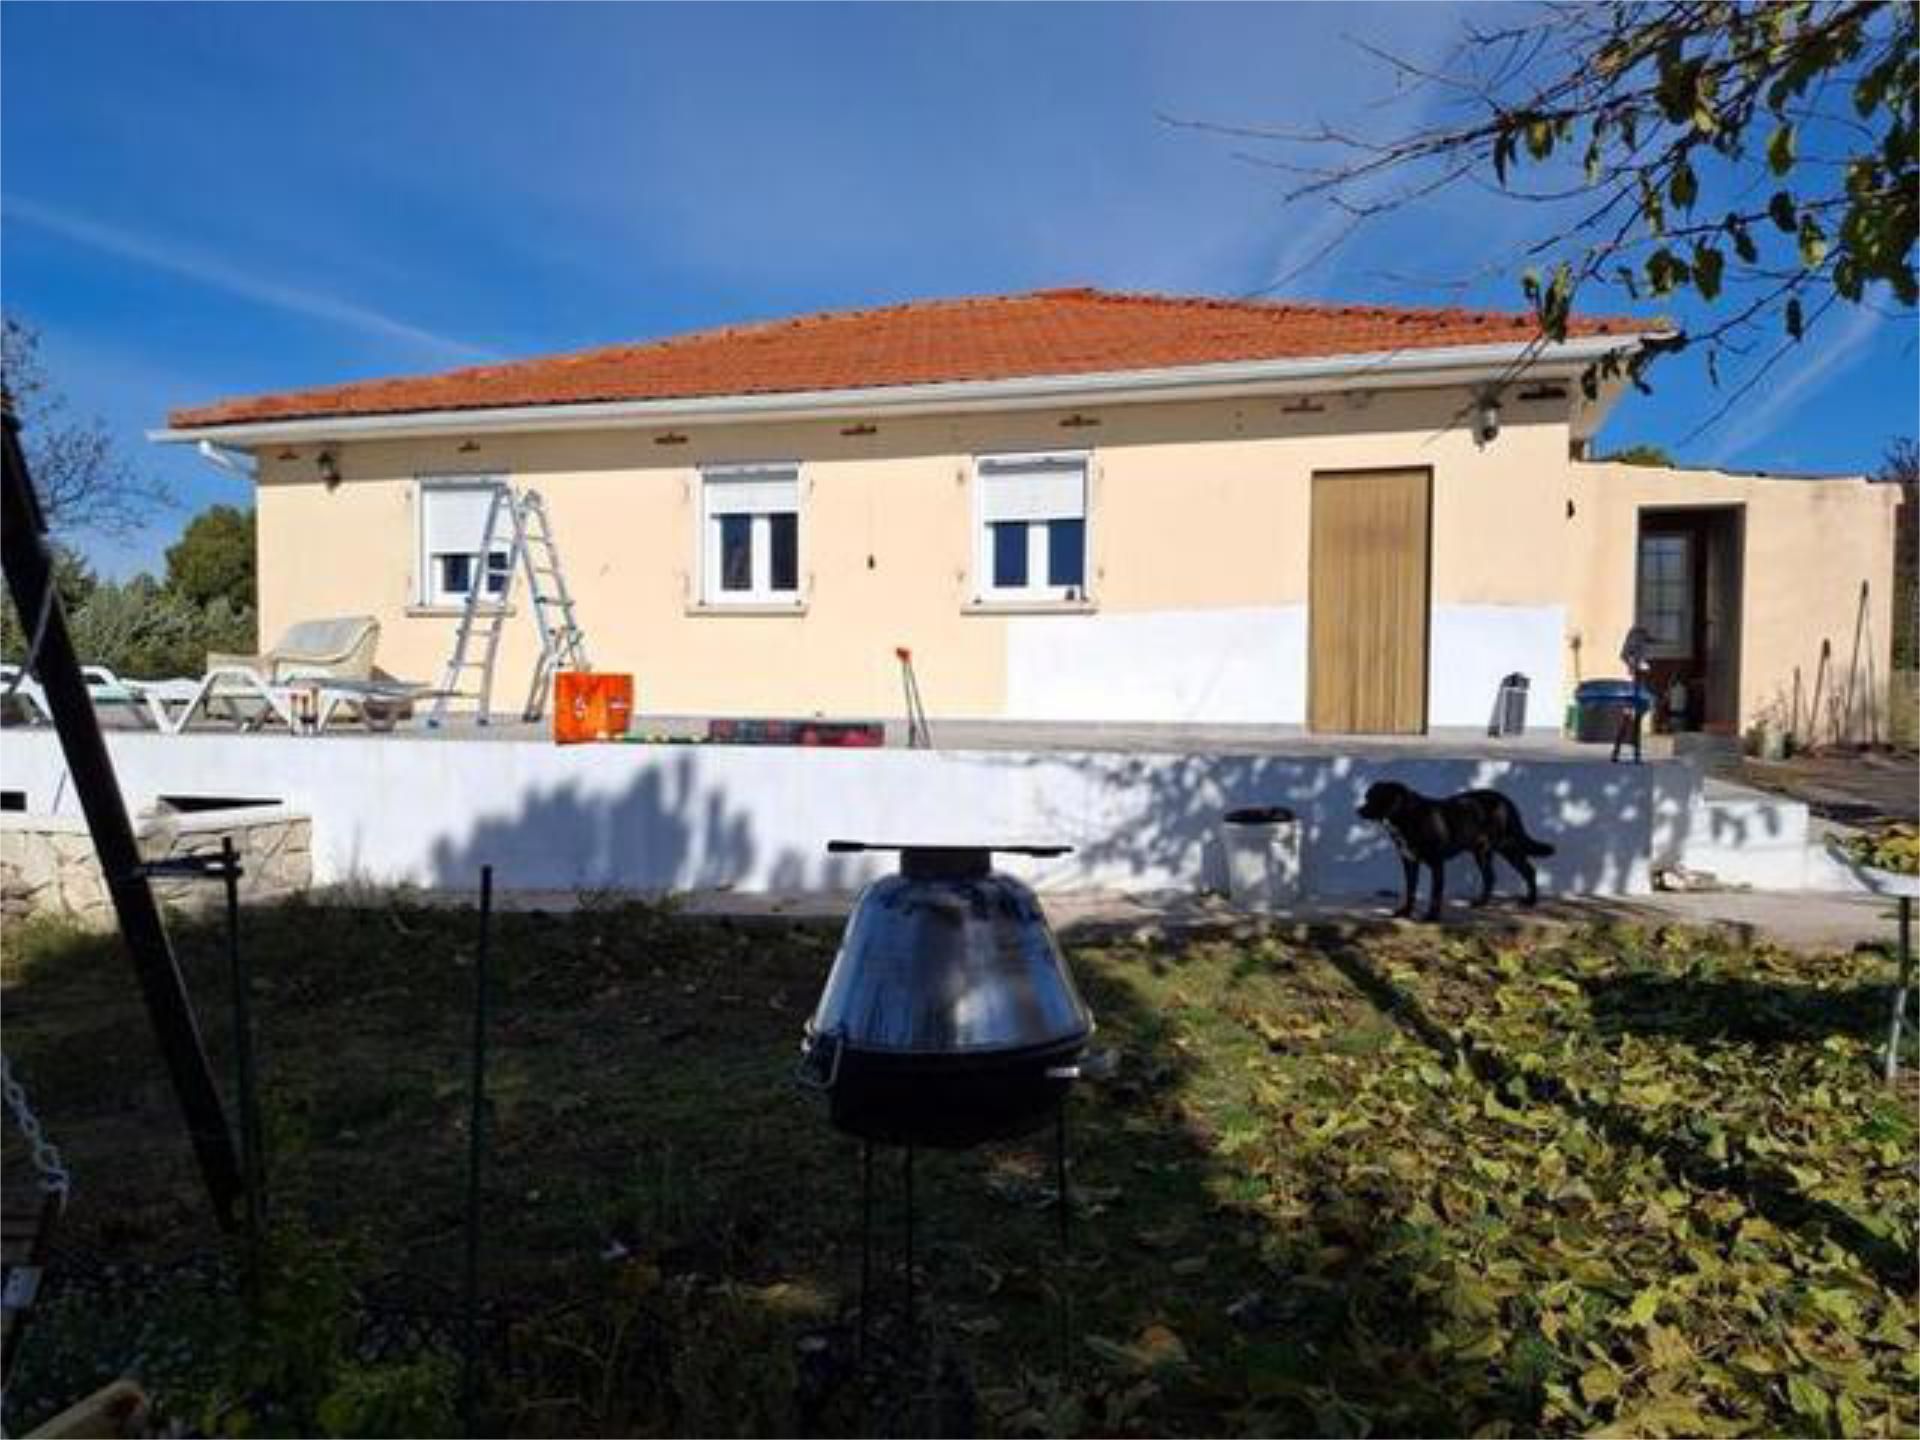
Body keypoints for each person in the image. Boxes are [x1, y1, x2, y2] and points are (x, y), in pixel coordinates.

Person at [1612, 625, 1653, 763]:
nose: (1643, 642)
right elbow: (1624, 657)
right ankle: (1618, 752)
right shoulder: (1631, 651)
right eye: (1642, 638)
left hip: (1639, 688)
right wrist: (1634, 666)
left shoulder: (1639, 650)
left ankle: (1634, 752)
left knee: (1636, 720)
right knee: (1627, 719)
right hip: (1632, 689)